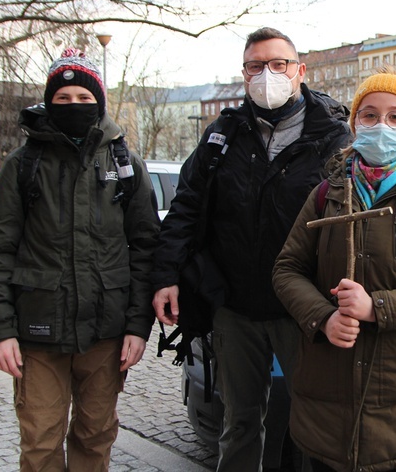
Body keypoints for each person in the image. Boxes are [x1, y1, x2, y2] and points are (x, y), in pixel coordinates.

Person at [151, 27, 352, 471]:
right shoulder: (222, 135)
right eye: (256, 66)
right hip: (236, 306)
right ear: (244, 74)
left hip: (303, 306)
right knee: (240, 423)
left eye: (278, 64)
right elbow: (185, 207)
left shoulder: (333, 137)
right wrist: (166, 276)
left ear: (299, 71)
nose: (267, 74)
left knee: (313, 420)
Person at [272, 67, 396, 472]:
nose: (381, 124)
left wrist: (376, 307)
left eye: (395, 116)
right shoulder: (326, 193)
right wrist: (323, 317)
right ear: (354, 124)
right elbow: (287, 269)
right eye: (369, 115)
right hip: (325, 407)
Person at [0, 48, 160, 471]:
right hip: (38, 333)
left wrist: (137, 326)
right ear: (48, 102)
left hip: (106, 332)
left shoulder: (125, 164)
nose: (74, 106)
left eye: (83, 97)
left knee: (95, 437)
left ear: (99, 101)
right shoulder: (24, 165)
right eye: (63, 98)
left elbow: (146, 249)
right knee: (40, 441)